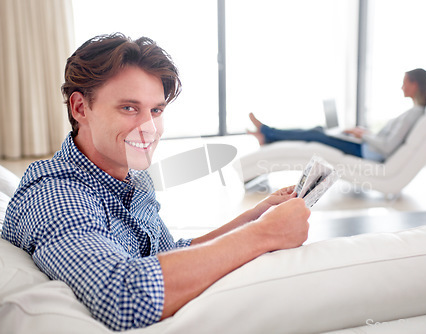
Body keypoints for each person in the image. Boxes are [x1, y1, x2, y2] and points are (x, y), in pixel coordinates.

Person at [1, 33, 310, 331]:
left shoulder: (132, 180)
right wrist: (263, 235)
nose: (148, 128)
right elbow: (124, 298)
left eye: (156, 110)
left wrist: (254, 216)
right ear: (80, 108)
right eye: (129, 108)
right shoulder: (54, 193)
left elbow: (166, 254)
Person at [248, 68, 426, 162]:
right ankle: (268, 137)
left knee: (315, 135)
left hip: (365, 152)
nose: (401, 87)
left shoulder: (413, 114)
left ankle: (267, 131)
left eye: (404, 83)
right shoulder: (414, 112)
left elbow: (388, 147)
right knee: (318, 130)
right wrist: (363, 132)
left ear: (415, 85)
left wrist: (363, 135)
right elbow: (387, 140)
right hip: (365, 146)